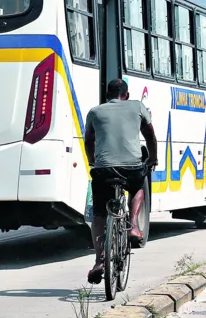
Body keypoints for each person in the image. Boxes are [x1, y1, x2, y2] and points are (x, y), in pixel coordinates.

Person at [84, 78, 157, 284]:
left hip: (103, 169)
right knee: (139, 185)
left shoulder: (95, 111)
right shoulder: (137, 106)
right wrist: (152, 159)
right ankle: (133, 225)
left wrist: (92, 160)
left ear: (107, 96)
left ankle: (99, 261)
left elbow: (88, 140)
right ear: (126, 95)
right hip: (131, 168)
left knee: (98, 213)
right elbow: (150, 136)